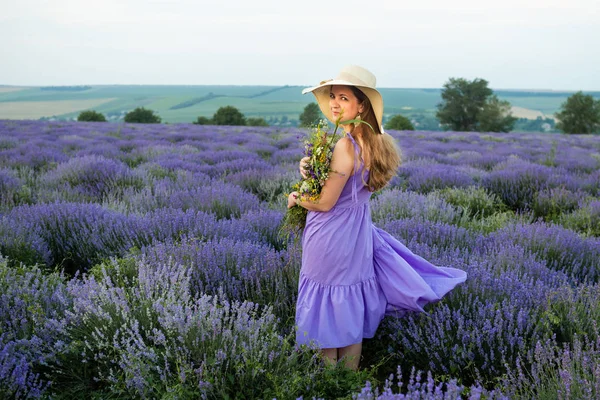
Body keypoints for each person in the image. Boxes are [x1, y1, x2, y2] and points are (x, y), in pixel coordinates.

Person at [287, 65, 467, 370]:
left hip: (331, 236)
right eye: (333, 96)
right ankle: (350, 380)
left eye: (343, 98)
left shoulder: (345, 146)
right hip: (357, 235)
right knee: (347, 307)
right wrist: (313, 169)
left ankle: (331, 387)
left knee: (325, 313)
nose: (334, 103)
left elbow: (325, 201)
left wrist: (295, 199)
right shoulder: (375, 142)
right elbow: (350, 187)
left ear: (362, 105)